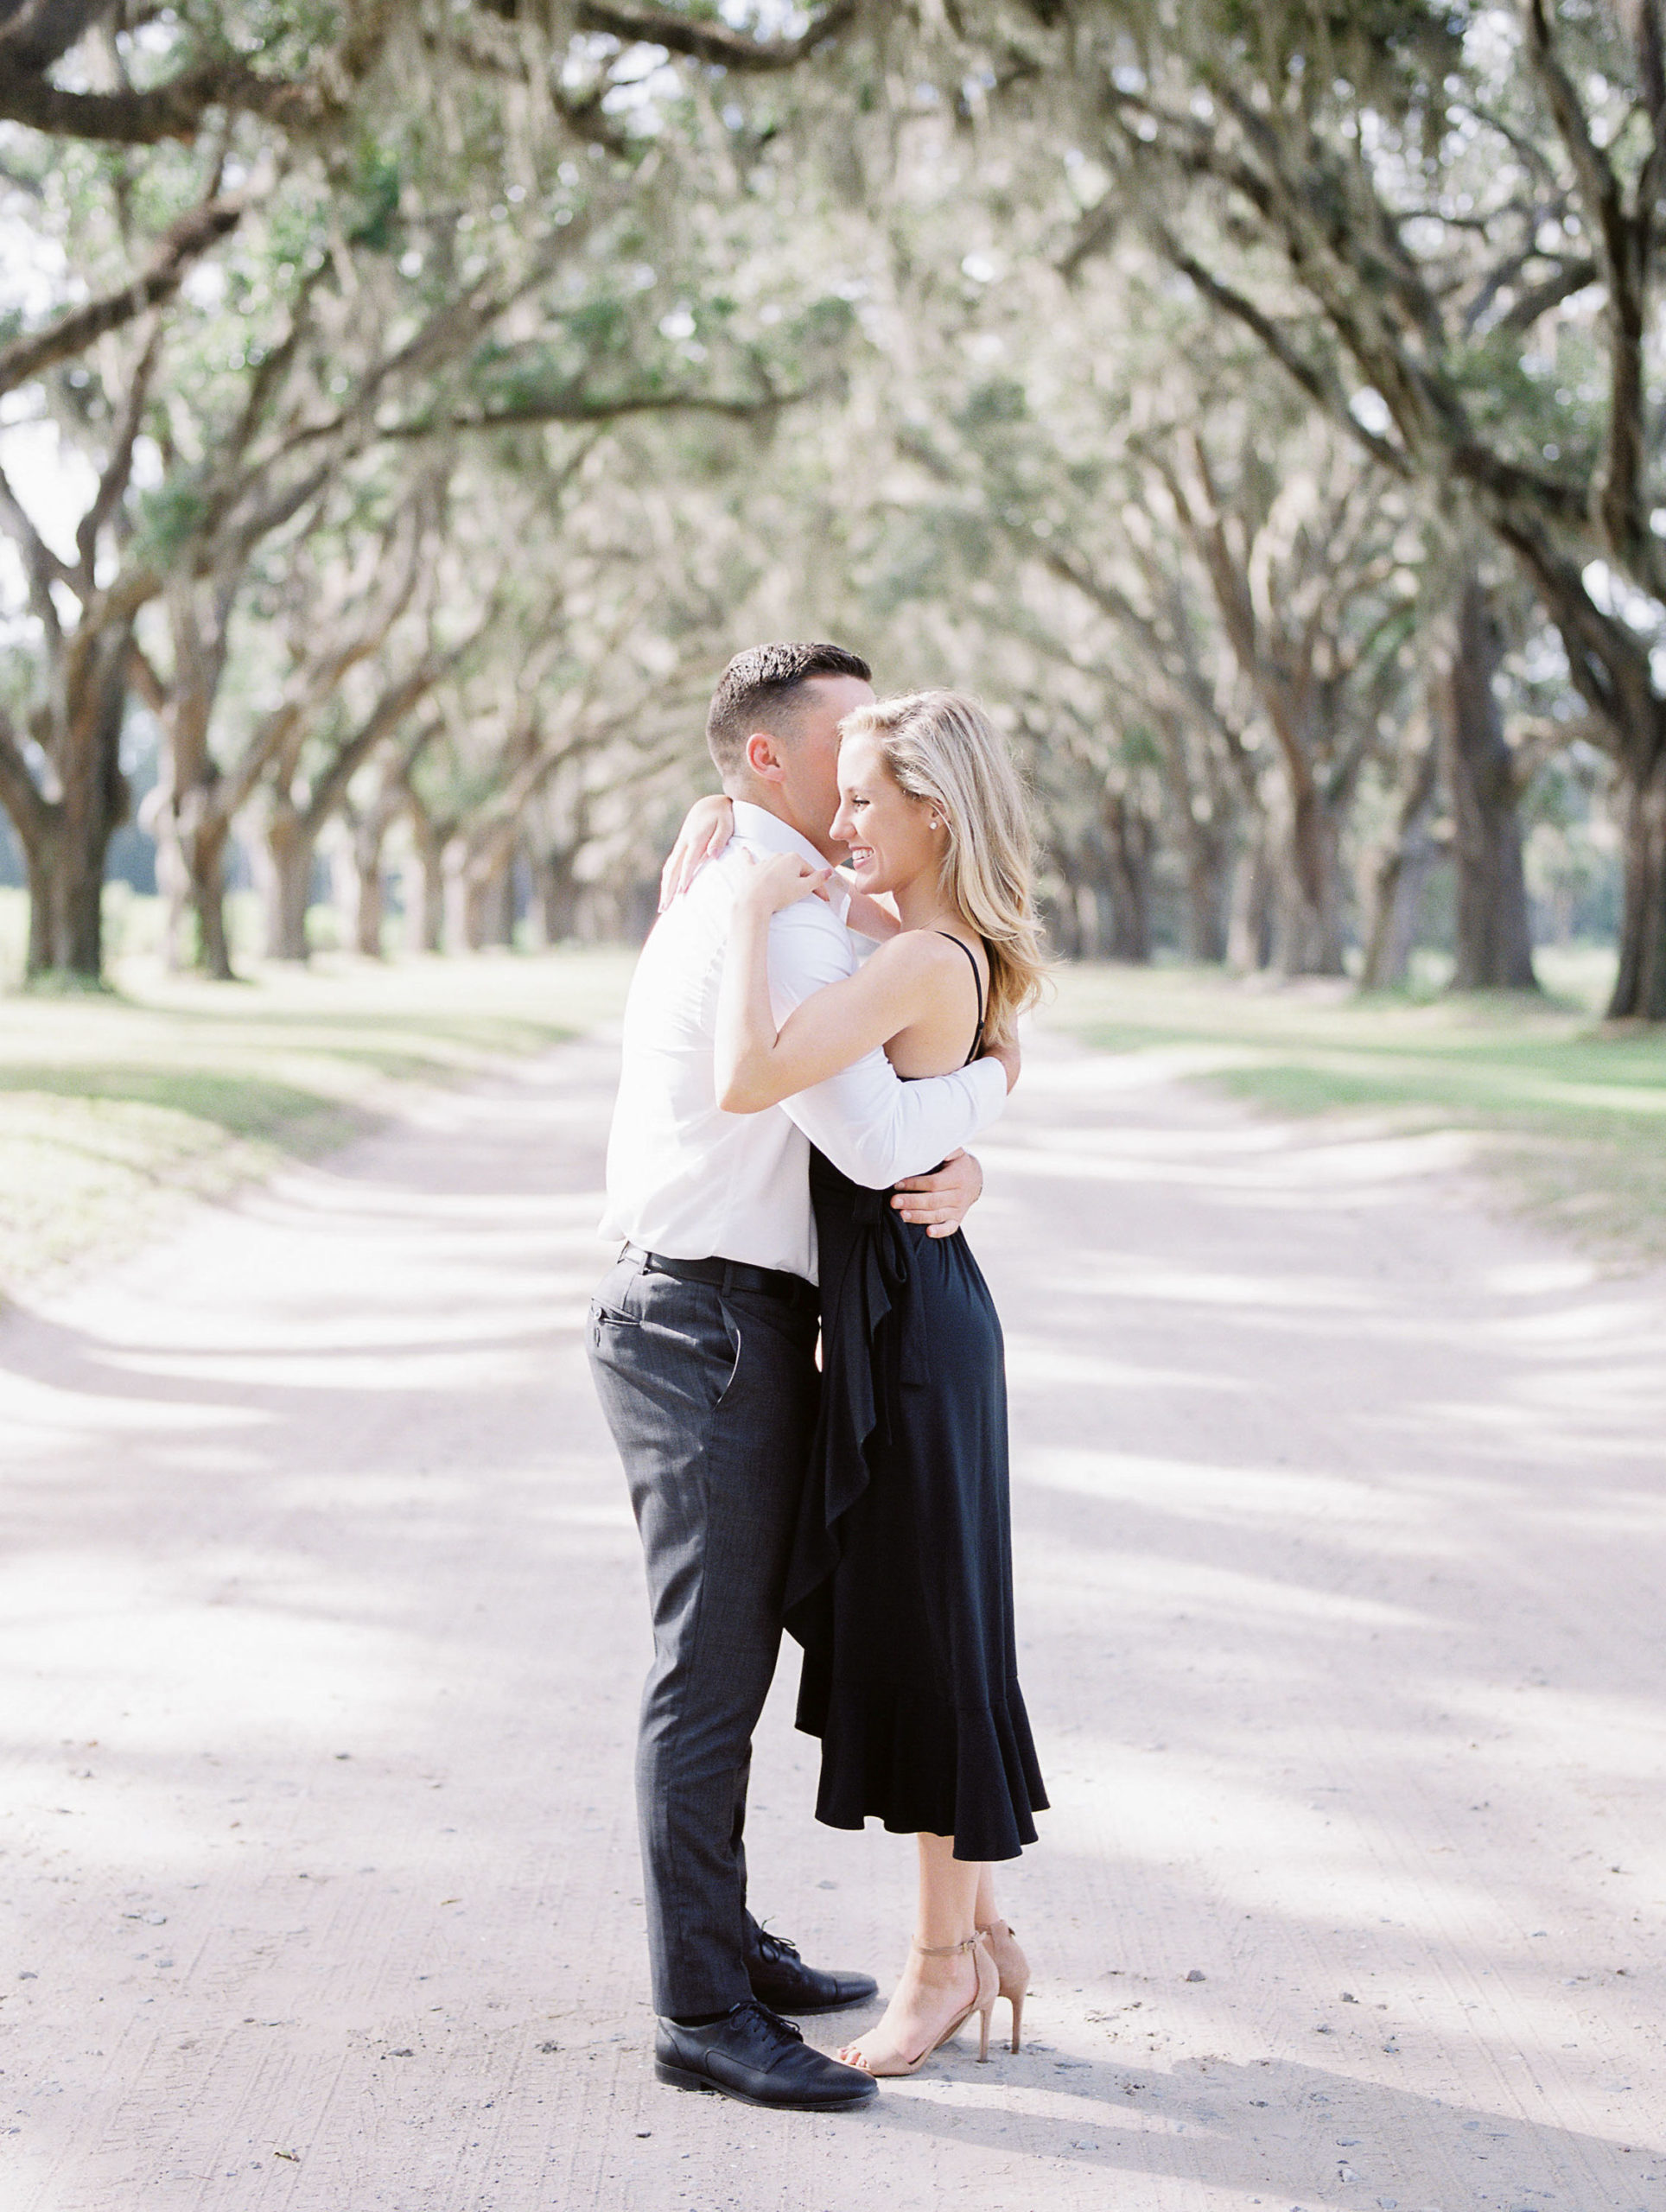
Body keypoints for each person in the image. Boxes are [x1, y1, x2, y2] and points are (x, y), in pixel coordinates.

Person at [586, 643, 1017, 2115]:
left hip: (733, 1318)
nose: (859, 778)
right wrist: (979, 1109)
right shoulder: (771, 911)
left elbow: (935, 997)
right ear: (768, 762)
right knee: (706, 1675)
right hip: (705, 1321)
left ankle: (734, 1944)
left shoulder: (788, 889)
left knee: (752, 1655)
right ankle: (700, 2007)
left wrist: (970, 1098)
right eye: (844, 744)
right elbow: (877, 1136)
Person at [706, 687, 1048, 2078]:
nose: (838, 824)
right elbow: (989, 1060)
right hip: (917, 1314)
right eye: (836, 796)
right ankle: (986, 1943)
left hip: (912, 1333)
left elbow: (748, 1075)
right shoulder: (911, 940)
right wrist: (984, 1114)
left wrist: (740, 911)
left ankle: (937, 1972)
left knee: (930, 1650)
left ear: (936, 814)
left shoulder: (917, 959)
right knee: (935, 1636)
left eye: (864, 801)